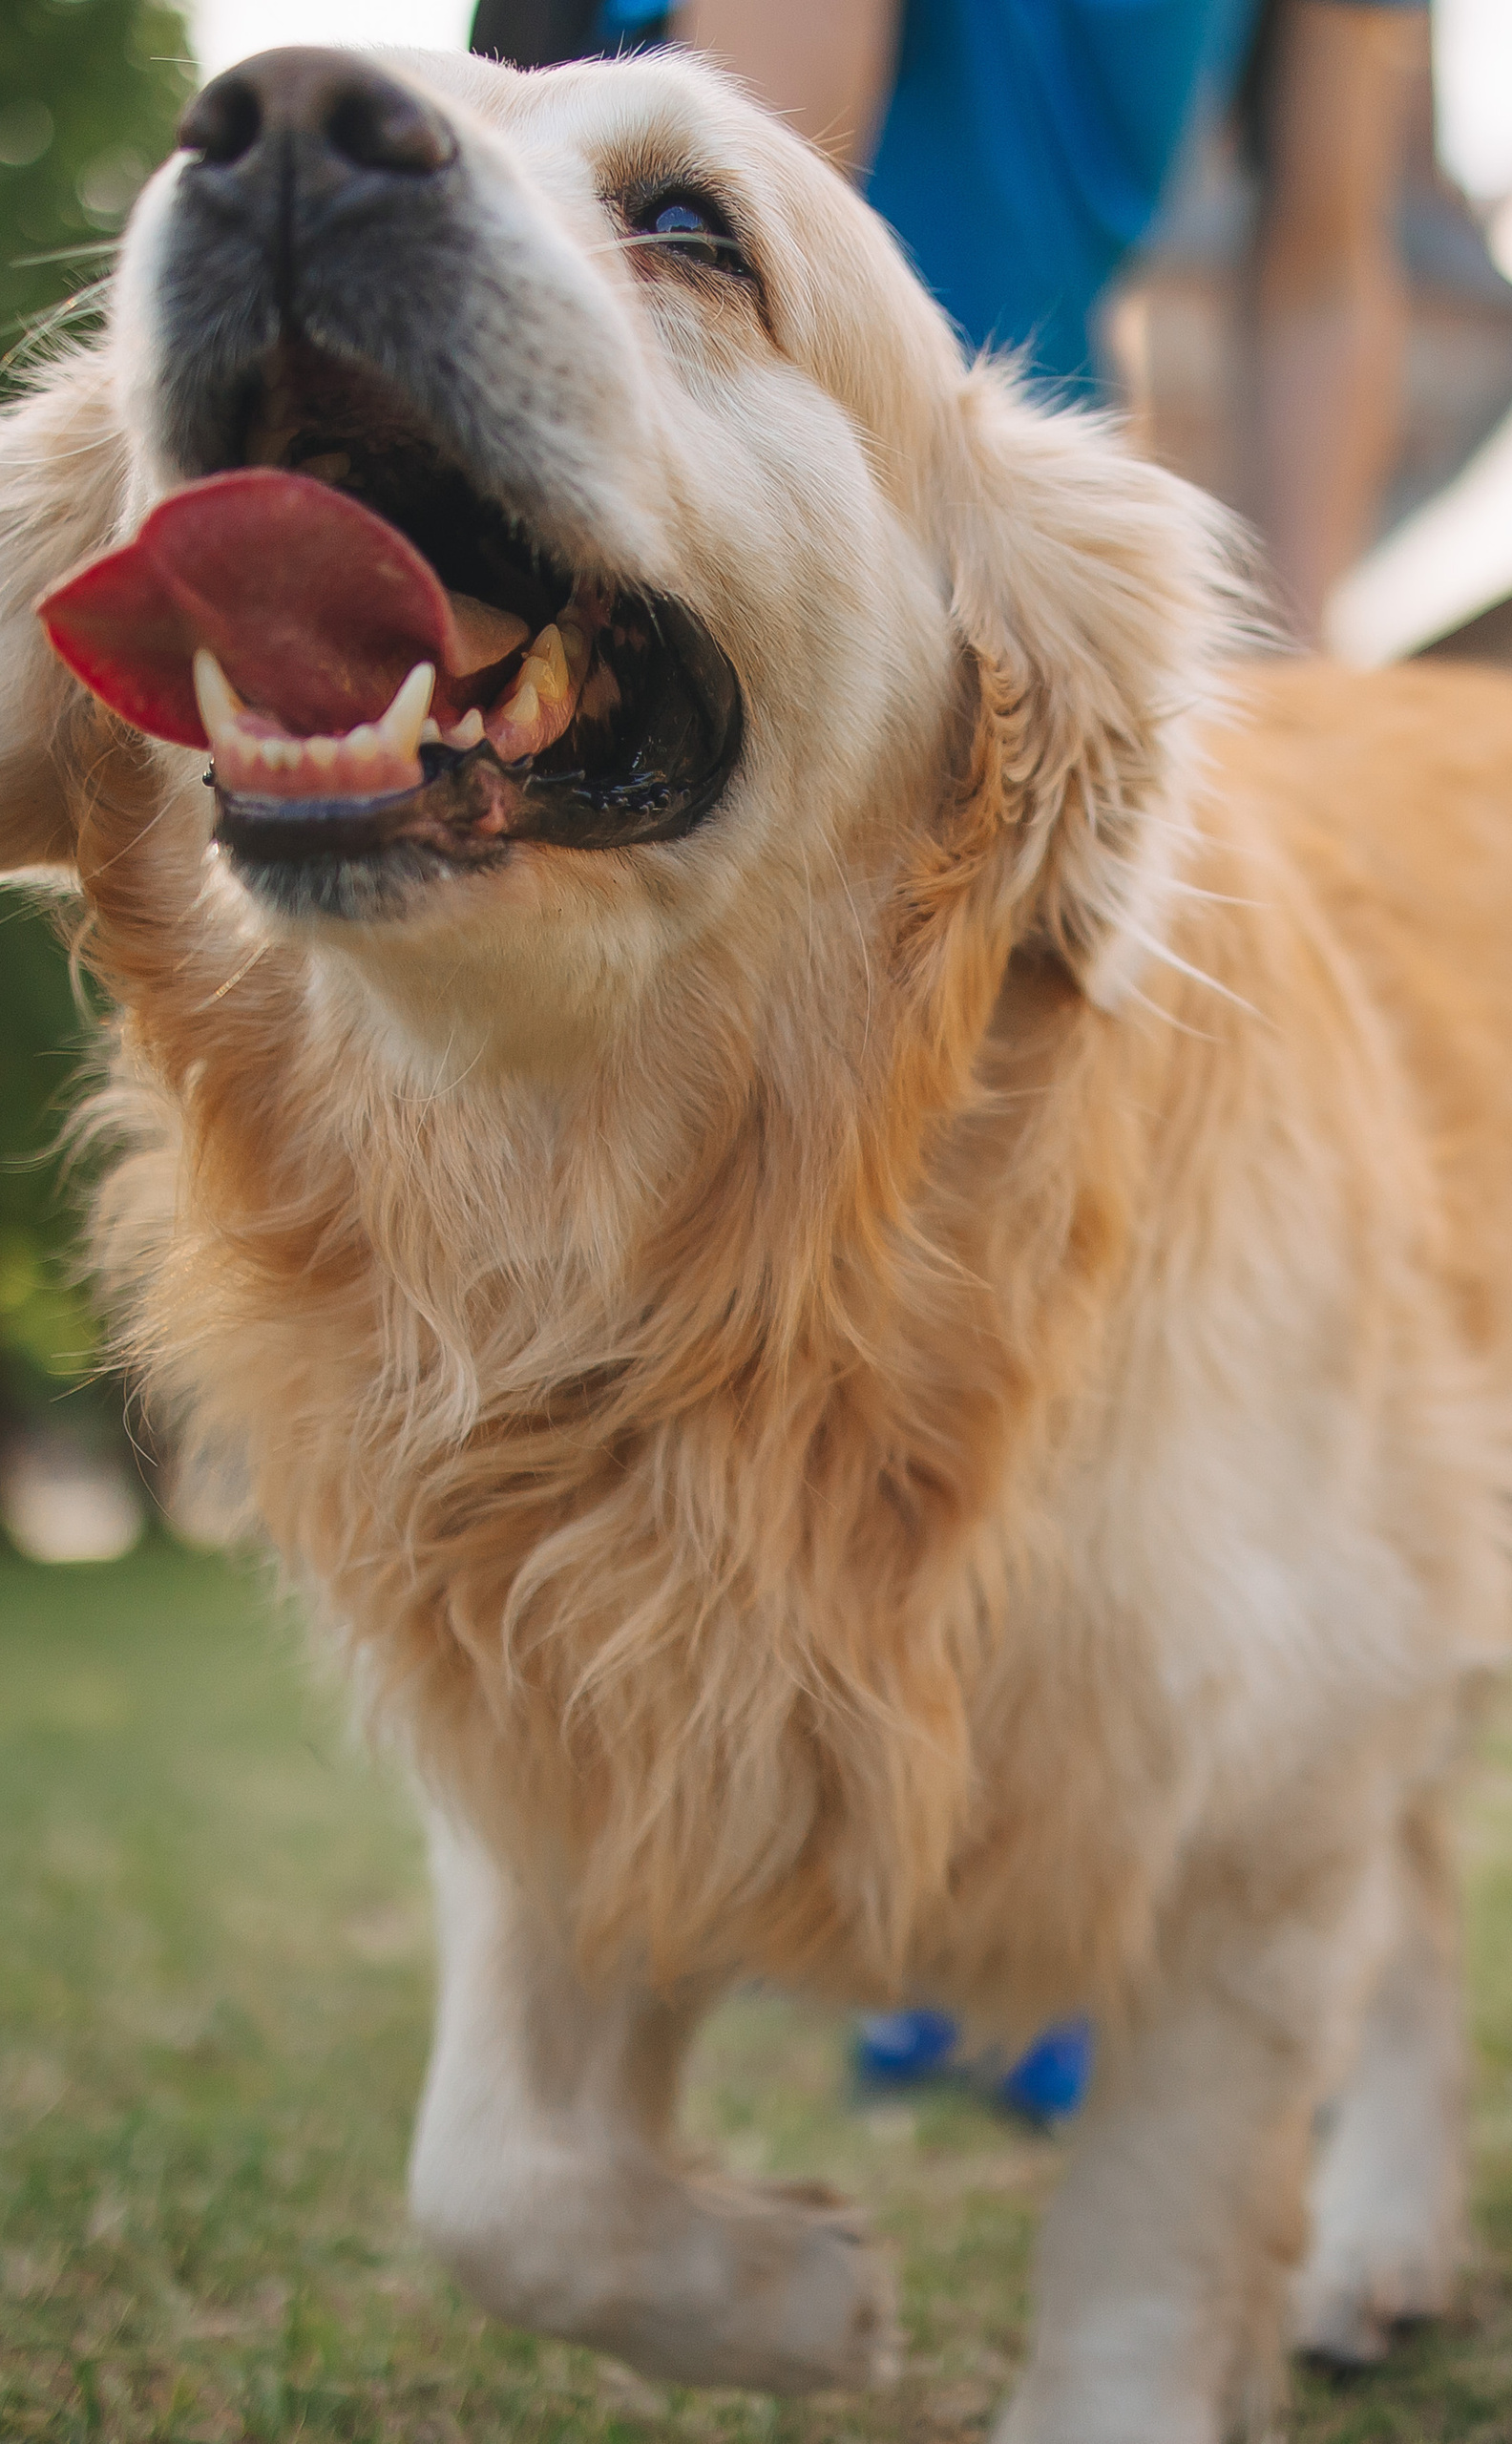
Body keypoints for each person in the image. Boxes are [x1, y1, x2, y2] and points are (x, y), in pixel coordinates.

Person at [466, 0, 1427, 2117]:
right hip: (731, 516)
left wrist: (1298, 672)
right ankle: (766, 1870)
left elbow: (1322, 270)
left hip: (1002, 544)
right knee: (691, 1292)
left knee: (1039, 1296)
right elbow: (741, 187)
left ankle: (984, 1877)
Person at [470, 0, 1428, 644]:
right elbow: (734, 226)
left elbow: (1323, 273)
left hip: (1019, 549)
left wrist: (1311, 691)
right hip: (698, 514)